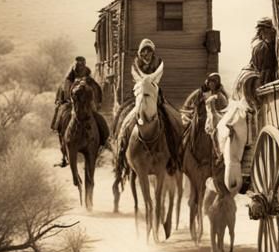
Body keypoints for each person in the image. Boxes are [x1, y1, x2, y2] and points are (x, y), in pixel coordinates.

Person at [115, 38, 182, 173]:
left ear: (152, 53)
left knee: (172, 120)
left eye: (149, 52)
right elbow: (137, 79)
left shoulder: (158, 63)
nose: (147, 55)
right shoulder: (136, 64)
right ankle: (122, 154)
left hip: (155, 96)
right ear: (140, 53)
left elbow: (155, 80)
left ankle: (174, 157)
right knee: (125, 121)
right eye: (144, 52)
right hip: (139, 96)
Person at [51, 56, 104, 166]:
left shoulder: (89, 78)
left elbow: (96, 90)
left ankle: (102, 143)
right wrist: (68, 99)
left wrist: (94, 102)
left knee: (97, 118)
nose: (80, 68)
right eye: (78, 66)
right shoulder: (68, 78)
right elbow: (64, 91)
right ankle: (61, 140)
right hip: (70, 103)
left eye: (82, 66)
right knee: (62, 113)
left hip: (86, 104)